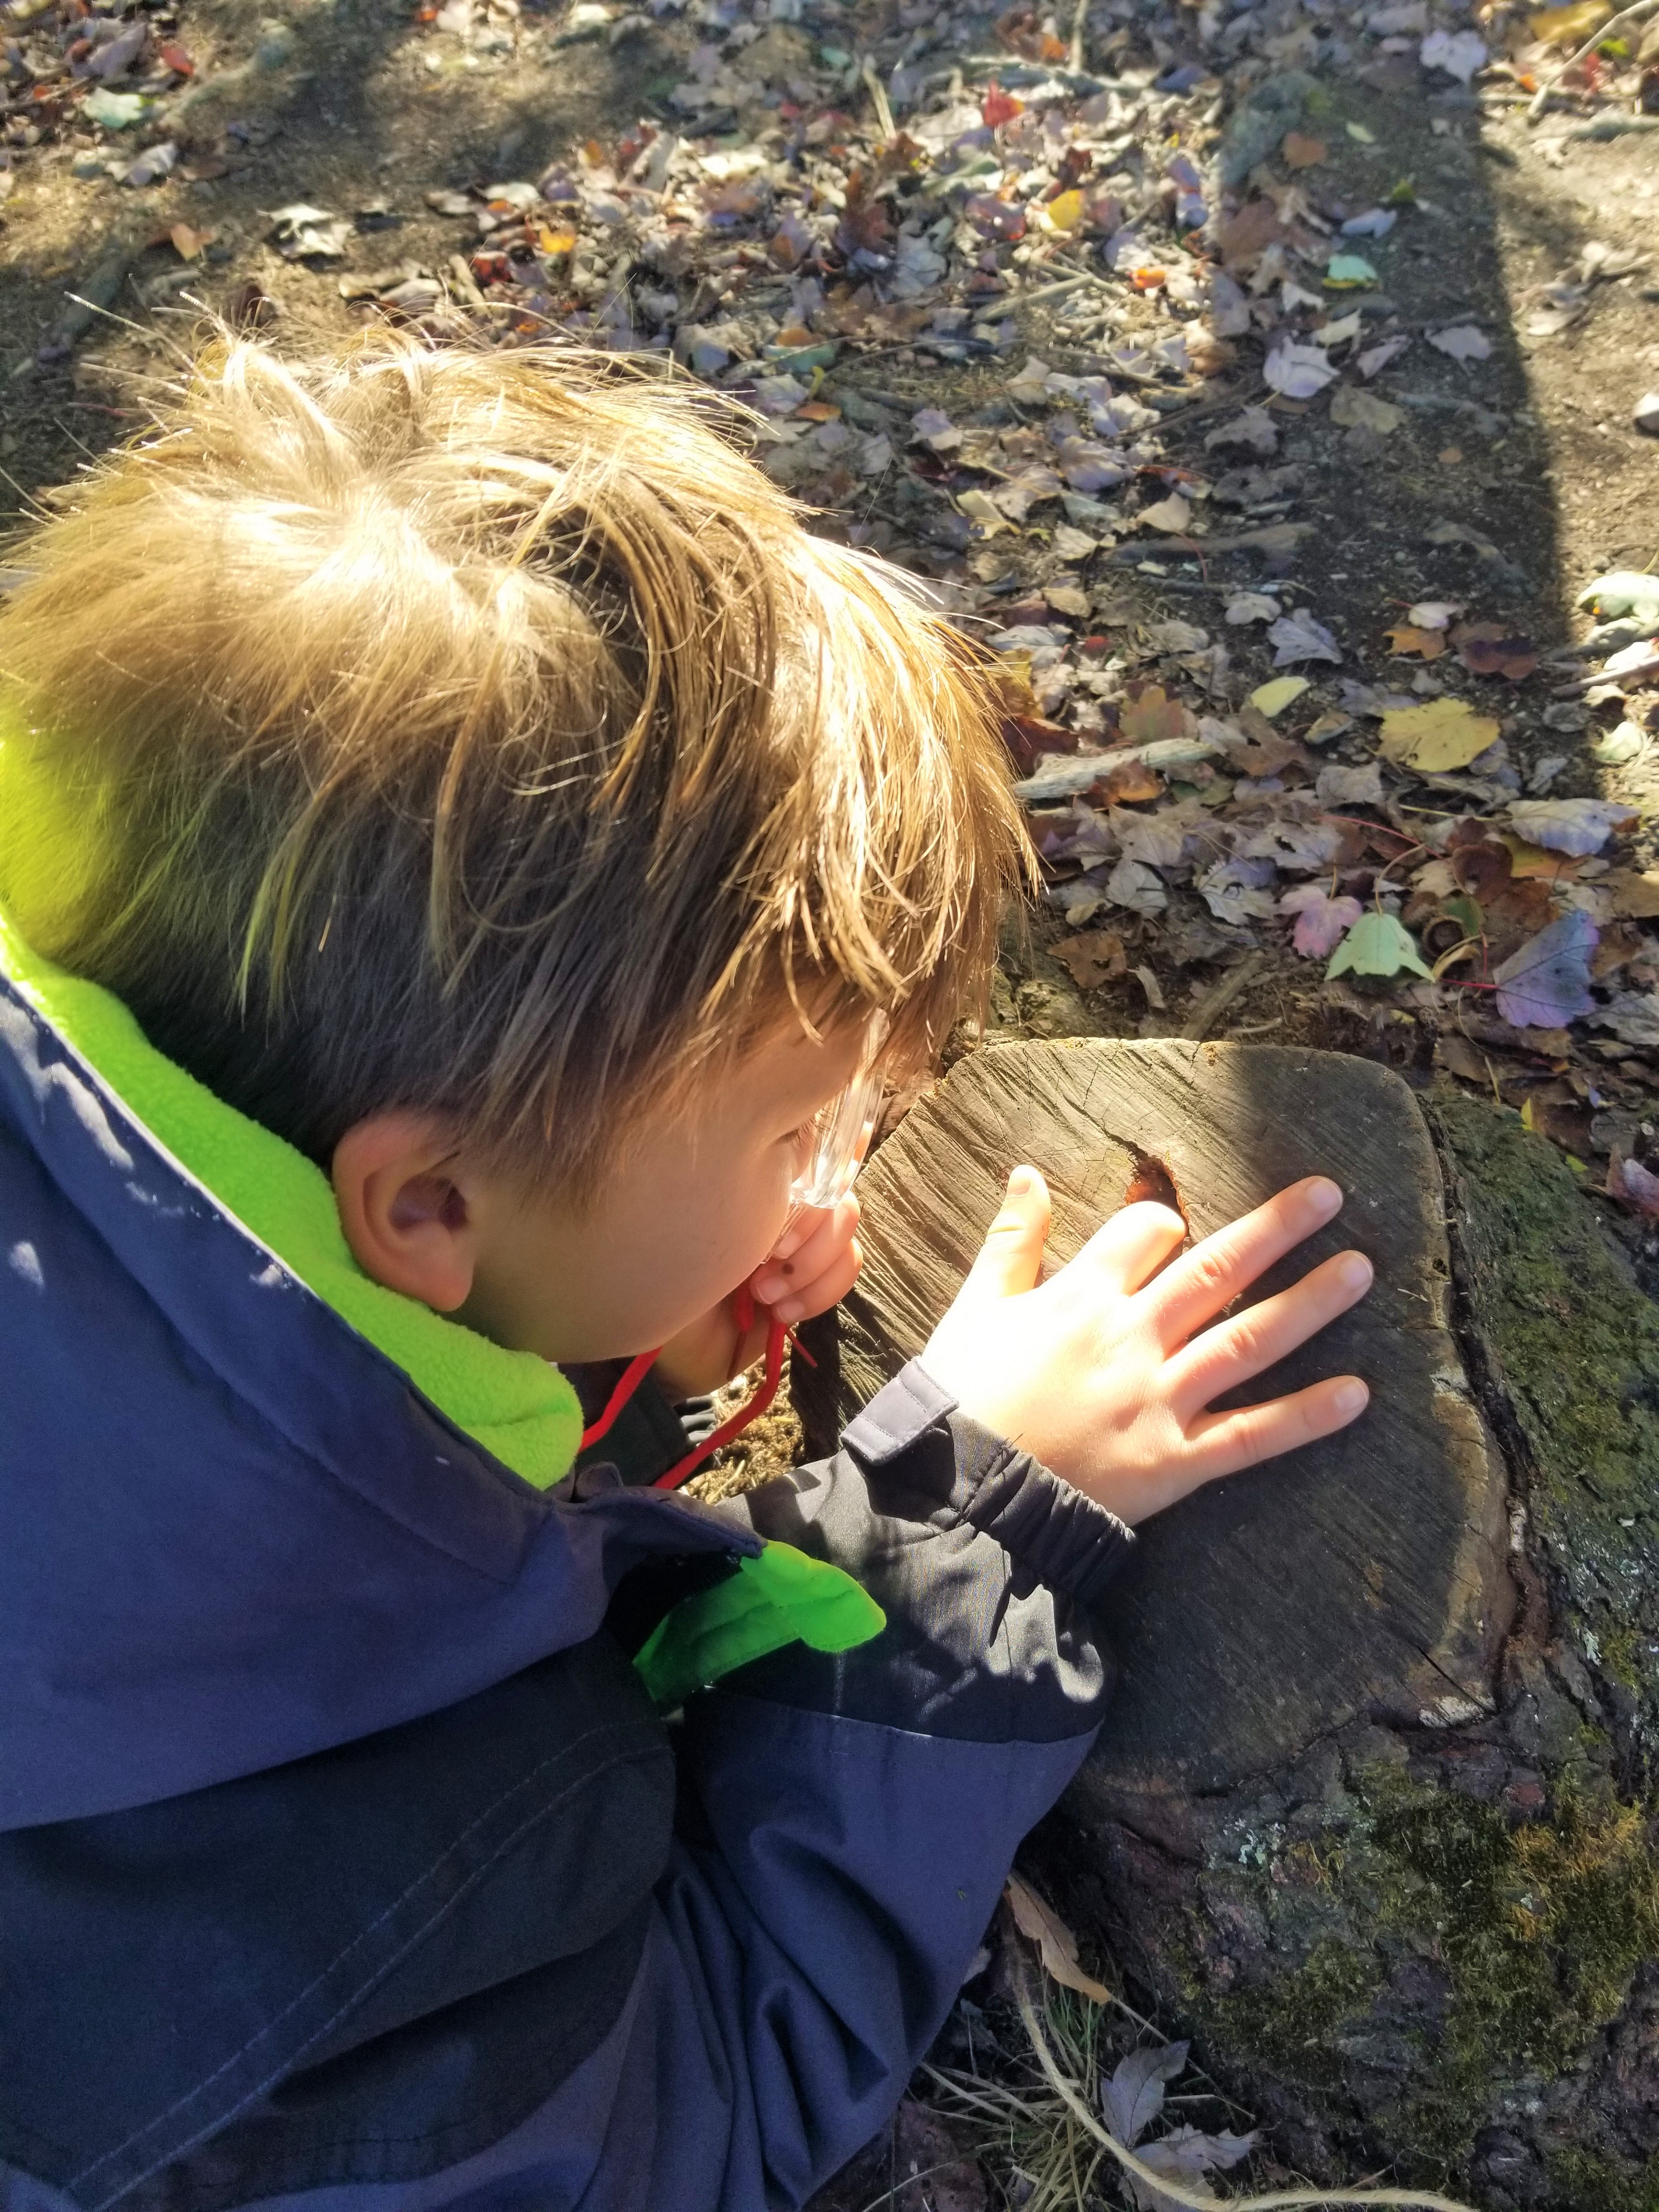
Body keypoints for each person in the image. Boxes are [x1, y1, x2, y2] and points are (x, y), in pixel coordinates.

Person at [0, 333, 1372, 2212]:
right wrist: (962, 1526)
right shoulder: (326, 1922)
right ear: (423, 1215)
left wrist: (612, 1316)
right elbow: (684, 2110)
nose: (830, 1170)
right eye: (787, 1124)